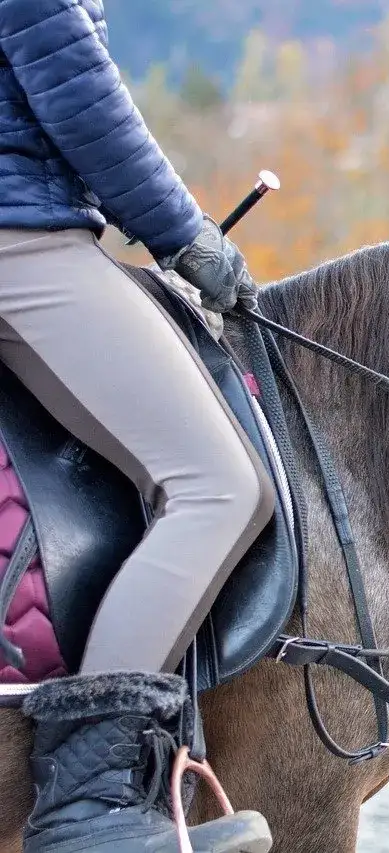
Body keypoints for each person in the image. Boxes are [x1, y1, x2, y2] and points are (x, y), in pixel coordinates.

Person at [0, 2, 277, 851]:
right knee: (219, 486)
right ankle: (89, 803)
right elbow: (83, 98)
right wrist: (185, 237)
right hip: (19, 243)